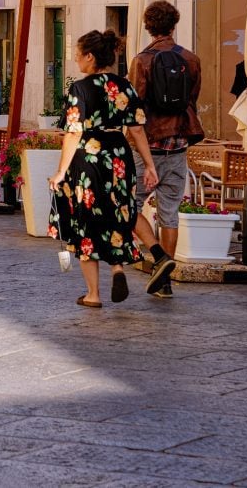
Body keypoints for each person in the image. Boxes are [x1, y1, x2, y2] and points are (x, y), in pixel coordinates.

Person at [48, 30, 161, 308]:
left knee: (87, 217)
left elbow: (73, 133)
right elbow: (136, 128)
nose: (76, 61)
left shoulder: (81, 89)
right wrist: (149, 164)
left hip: (89, 156)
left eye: (77, 56)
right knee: (120, 210)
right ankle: (118, 267)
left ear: (90, 56)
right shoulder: (124, 85)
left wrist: (61, 171)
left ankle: (93, 294)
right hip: (119, 154)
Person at [128, 0, 205, 298]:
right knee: (169, 213)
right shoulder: (191, 59)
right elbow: (192, 99)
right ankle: (165, 282)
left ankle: (158, 257)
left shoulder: (142, 61)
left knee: (128, 206)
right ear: (174, 25)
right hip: (179, 145)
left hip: (147, 148)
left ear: (148, 27)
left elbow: (135, 108)